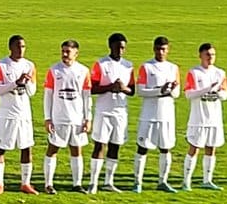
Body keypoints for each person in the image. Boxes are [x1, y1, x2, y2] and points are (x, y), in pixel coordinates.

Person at [131, 35, 180, 192]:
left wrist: (170, 91)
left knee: (165, 148)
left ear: (168, 50)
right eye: (158, 49)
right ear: (154, 49)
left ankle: (163, 181)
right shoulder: (147, 67)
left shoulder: (173, 68)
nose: (161, 52)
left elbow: (177, 92)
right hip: (149, 114)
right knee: (142, 147)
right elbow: (140, 91)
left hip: (166, 114)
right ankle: (137, 182)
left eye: (164, 49)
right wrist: (160, 90)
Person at [0, 34, 38, 196]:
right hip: (7, 114)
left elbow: (32, 92)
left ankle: (25, 183)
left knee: (26, 147)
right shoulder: (1, 65)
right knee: (1, 148)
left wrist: (27, 82)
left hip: (24, 114)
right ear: (10, 47)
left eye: (23, 46)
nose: (21, 49)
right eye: (17, 46)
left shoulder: (30, 65)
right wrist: (15, 83)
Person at [42, 39, 91, 193]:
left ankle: (77, 184)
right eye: (62, 51)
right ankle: (48, 184)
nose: (64, 54)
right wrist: (47, 118)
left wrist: (88, 118)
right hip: (58, 118)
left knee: (76, 150)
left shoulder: (83, 71)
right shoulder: (54, 70)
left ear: (76, 53)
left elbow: (86, 96)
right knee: (52, 149)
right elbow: (48, 95)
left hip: (76, 119)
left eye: (68, 52)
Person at [86, 33, 132, 195]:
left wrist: (124, 88)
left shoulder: (128, 66)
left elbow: (132, 90)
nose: (120, 50)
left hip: (120, 111)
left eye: (123, 47)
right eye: (118, 47)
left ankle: (109, 181)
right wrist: (110, 87)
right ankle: (93, 182)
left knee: (115, 145)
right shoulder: (101, 64)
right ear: (110, 46)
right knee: (100, 145)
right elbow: (93, 88)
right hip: (104, 111)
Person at [182, 42, 227, 189]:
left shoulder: (220, 73)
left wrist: (218, 92)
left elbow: (225, 94)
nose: (210, 57)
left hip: (214, 119)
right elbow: (189, 94)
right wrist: (207, 89)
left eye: (213, 55)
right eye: (207, 54)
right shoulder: (194, 73)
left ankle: (207, 180)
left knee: (211, 148)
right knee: (194, 148)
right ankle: (186, 181)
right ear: (200, 55)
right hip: (199, 118)